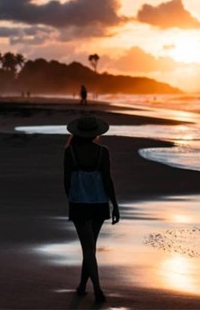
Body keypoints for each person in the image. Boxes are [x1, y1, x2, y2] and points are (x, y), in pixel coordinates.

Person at [63, 115, 119, 303]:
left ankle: (96, 289)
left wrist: (70, 200)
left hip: (79, 203)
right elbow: (107, 180)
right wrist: (115, 205)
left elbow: (66, 181)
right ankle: (82, 286)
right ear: (96, 134)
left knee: (88, 249)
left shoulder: (70, 152)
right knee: (90, 248)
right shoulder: (103, 152)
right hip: (99, 203)